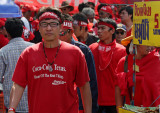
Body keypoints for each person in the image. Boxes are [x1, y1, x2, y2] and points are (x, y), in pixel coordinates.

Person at [8, 7, 92, 113]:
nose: (48, 28)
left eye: (53, 24)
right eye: (44, 24)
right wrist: (11, 109)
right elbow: (18, 84)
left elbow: (84, 86)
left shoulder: (75, 53)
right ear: (38, 27)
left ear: (61, 27)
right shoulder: (28, 53)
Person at [59, 14, 98, 113]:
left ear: (71, 32)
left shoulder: (83, 50)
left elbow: (91, 82)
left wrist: (89, 108)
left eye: (61, 33)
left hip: (78, 105)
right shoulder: (49, 49)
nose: (58, 36)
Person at [89, 18, 126, 113]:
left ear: (112, 30)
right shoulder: (92, 48)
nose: (99, 31)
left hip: (114, 100)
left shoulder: (122, 51)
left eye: (102, 28)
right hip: (94, 99)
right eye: (98, 28)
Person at [115, 34, 160, 111]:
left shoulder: (157, 61)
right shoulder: (124, 62)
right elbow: (118, 89)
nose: (150, 45)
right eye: (146, 41)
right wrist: (119, 110)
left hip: (154, 110)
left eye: (151, 41)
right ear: (135, 43)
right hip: (131, 110)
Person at [0, 18, 33, 113]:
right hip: (33, 102)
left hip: (12, 105)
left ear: (7, 32)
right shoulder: (35, 48)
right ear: (22, 30)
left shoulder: (3, 52)